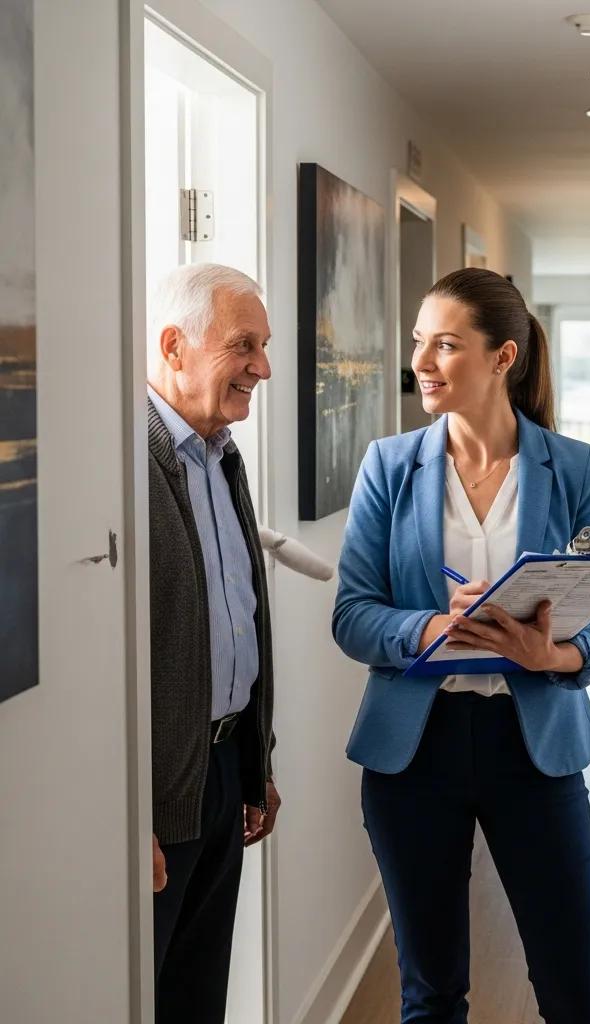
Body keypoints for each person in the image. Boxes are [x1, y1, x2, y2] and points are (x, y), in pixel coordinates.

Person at [333, 268, 590, 1023]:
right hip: (413, 756)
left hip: (535, 751)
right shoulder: (388, 468)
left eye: (446, 344)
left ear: (503, 357)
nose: (423, 361)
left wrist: (553, 657)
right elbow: (353, 615)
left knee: (577, 997)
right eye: (419, 343)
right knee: (430, 998)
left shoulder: (575, 469)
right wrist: (430, 626)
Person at [147, 262, 280, 1023]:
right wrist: (128, 816)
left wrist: (255, 762)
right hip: (161, 790)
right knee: (146, 994)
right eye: (245, 346)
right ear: (175, 345)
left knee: (200, 996)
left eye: (261, 347)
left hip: (226, 772)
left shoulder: (222, 455)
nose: (262, 367)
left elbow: (239, 625)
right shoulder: (124, 461)